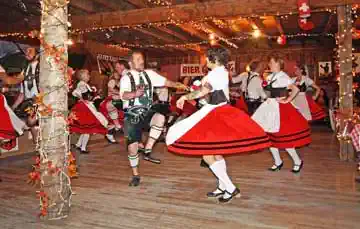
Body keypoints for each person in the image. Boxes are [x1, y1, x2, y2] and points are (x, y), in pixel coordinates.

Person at [166, 47, 271, 203]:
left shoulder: (215, 74)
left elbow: (203, 91)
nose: (205, 61)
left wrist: (185, 97)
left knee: (207, 154)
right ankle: (223, 186)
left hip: (215, 112)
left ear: (213, 60)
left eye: (207, 58)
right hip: (219, 110)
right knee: (216, 152)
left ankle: (230, 187)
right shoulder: (222, 71)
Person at [120, 50, 188, 186]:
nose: (141, 61)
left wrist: (181, 85)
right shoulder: (126, 78)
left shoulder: (149, 74)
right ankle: (135, 175)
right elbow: (123, 95)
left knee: (160, 118)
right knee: (132, 148)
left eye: (142, 58)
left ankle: (148, 150)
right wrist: (135, 93)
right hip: (132, 114)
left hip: (147, 111)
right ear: (130, 63)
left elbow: (167, 82)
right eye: (138, 59)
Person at [252, 53, 311, 173]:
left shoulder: (283, 76)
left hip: (280, 109)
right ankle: (278, 161)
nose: (270, 64)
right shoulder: (270, 76)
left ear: (279, 64)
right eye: (270, 63)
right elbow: (268, 92)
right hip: (270, 107)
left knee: (284, 138)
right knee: (270, 138)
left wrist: (287, 100)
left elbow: (295, 89)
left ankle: (297, 161)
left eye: (272, 62)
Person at [70, 69, 108, 154]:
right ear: (83, 76)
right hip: (85, 108)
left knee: (85, 128)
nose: (89, 76)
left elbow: (86, 95)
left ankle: (78, 144)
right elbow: (77, 93)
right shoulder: (82, 84)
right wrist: (82, 98)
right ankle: (83, 148)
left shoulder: (83, 84)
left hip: (86, 106)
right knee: (88, 128)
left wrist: (94, 94)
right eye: (88, 75)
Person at [11, 47, 40, 143]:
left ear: (38, 54)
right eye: (26, 51)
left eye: (30, 51)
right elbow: (22, 93)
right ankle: (37, 143)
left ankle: (37, 140)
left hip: (41, 101)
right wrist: (13, 107)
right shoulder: (25, 70)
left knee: (31, 122)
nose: (27, 53)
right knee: (30, 122)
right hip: (29, 103)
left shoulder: (42, 68)